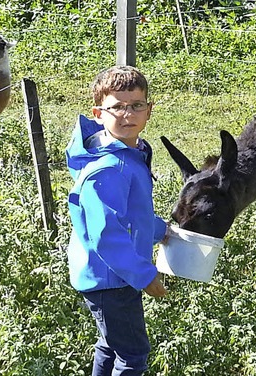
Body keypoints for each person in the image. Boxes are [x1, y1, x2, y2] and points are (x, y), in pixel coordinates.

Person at [65, 65, 168, 376]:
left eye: (136, 105)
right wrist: (144, 275)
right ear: (98, 113)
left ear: (149, 110)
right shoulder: (108, 169)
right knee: (133, 355)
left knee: (111, 345)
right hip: (112, 279)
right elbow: (107, 235)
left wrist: (162, 231)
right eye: (117, 107)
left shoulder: (128, 154)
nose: (127, 115)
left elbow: (131, 215)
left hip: (109, 274)